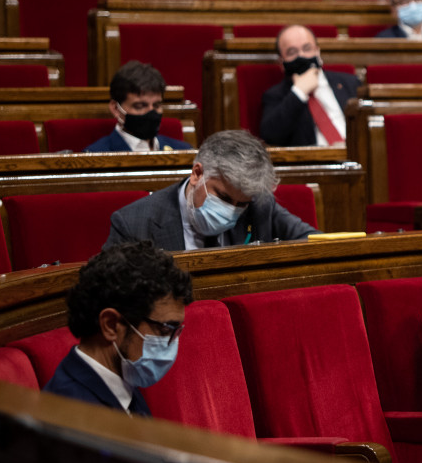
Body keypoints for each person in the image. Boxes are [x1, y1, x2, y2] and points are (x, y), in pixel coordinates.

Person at [104, 129, 318, 251]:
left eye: (241, 204)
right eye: (223, 197)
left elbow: (316, 243)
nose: (231, 211)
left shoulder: (260, 206)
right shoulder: (133, 224)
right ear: (197, 174)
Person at [43, 241, 192, 416]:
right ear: (110, 325)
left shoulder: (121, 381)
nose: (174, 343)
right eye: (166, 329)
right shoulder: (71, 413)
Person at [259, 24, 362, 147]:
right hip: (316, 161)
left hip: (357, 152)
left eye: (307, 49)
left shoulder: (349, 82)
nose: (301, 56)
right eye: (292, 52)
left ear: (317, 51)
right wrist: (299, 92)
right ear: (281, 62)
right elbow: (270, 136)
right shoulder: (276, 95)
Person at [85, 60, 191, 153]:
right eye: (140, 106)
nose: (151, 112)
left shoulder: (184, 151)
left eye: (156, 105)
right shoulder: (95, 156)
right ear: (116, 108)